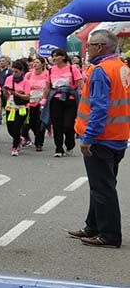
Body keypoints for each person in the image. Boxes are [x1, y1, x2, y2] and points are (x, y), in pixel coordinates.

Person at [67, 30, 129, 249]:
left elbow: (99, 108)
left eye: (90, 45)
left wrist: (88, 138)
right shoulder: (122, 67)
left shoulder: (102, 70)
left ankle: (110, 235)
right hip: (118, 137)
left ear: (101, 47)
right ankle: (93, 226)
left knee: (103, 189)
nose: (87, 48)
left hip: (101, 139)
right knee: (102, 185)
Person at [48, 48, 84, 157]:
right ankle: (58, 148)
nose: (54, 58)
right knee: (57, 125)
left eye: (57, 56)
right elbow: (47, 86)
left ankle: (70, 144)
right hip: (55, 99)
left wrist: (85, 97)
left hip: (70, 99)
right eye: (53, 56)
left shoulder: (72, 69)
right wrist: (44, 100)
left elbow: (81, 84)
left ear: (63, 57)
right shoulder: (51, 70)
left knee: (68, 124)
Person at [2, 59, 31, 157]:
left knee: (17, 126)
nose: (14, 74)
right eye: (13, 71)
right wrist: (6, 91)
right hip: (11, 106)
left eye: (16, 72)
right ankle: (19, 138)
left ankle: (14, 147)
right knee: (10, 127)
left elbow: (27, 96)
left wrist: (16, 94)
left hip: (22, 107)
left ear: (22, 71)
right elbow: (6, 94)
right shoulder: (9, 79)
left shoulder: (26, 82)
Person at [24, 56, 50, 151]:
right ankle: (32, 137)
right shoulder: (28, 75)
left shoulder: (47, 74)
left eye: (38, 62)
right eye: (34, 62)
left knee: (39, 122)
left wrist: (44, 99)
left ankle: (39, 143)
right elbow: (24, 86)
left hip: (41, 101)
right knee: (30, 123)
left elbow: (48, 87)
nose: (35, 64)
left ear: (43, 64)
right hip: (30, 101)